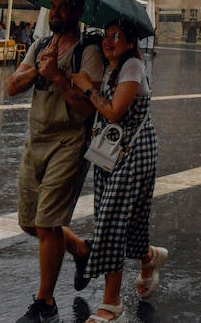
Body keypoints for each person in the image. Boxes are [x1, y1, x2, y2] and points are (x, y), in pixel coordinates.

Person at [8, 0, 107, 323]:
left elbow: (86, 108)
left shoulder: (88, 52)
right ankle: (81, 249)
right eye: (54, 6)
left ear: (77, 12)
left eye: (64, 8)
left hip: (69, 143)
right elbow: (12, 86)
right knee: (29, 222)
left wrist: (57, 77)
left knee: (48, 223)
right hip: (36, 141)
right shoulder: (39, 47)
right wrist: (39, 70)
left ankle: (45, 303)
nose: (56, 12)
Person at [69, 19, 167, 320]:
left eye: (118, 37)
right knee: (129, 221)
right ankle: (149, 256)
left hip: (134, 153)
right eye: (107, 36)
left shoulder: (133, 67)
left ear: (130, 43)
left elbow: (114, 111)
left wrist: (87, 88)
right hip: (111, 152)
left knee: (111, 220)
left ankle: (111, 304)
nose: (109, 42)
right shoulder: (111, 66)